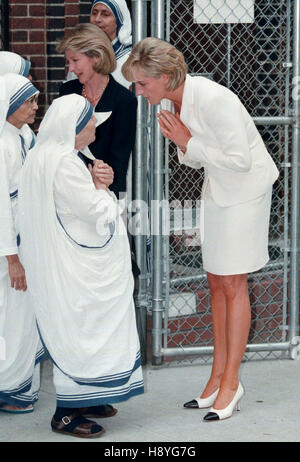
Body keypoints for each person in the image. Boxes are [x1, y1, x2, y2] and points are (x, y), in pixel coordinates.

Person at [122, 37, 279, 421]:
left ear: (165, 76)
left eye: (142, 83)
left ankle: (231, 382)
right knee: (215, 281)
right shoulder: (177, 100)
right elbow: (196, 160)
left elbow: (240, 161)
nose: (138, 91)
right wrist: (185, 143)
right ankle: (216, 378)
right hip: (219, 191)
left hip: (244, 193)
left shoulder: (212, 98)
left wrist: (186, 140)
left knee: (232, 283)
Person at [18, 94, 144, 438]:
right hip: (76, 265)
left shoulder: (48, 157)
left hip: (66, 260)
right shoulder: (64, 163)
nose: (94, 126)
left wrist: (95, 183)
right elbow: (95, 211)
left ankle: (90, 396)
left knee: (85, 326)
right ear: (74, 126)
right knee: (82, 330)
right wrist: (104, 189)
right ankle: (66, 413)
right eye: (90, 121)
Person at [0, 73, 45, 414]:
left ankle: (18, 383)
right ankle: (8, 386)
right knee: (11, 316)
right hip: (9, 248)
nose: (35, 106)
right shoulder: (2, 143)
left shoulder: (25, 135)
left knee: (23, 315)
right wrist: (12, 258)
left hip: (28, 239)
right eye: (29, 101)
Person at [57, 23, 137, 200]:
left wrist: (106, 199)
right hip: (67, 189)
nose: (70, 68)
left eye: (75, 61)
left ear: (97, 57)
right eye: (68, 62)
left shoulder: (124, 100)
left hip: (105, 193)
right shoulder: (66, 92)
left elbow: (119, 160)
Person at [67, 0, 132, 88]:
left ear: (119, 20)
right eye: (94, 13)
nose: (97, 19)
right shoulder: (80, 54)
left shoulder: (130, 58)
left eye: (105, 14)